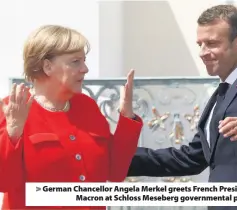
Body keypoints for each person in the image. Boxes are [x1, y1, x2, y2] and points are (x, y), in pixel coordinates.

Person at [127, 4, 237, 210]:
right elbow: (191, 158)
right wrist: (118, 157)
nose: (203, 53)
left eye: (212, 43)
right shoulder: (221, 94)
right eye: (200, 44)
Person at [0, 25, 143, 210]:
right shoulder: (11, 109)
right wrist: (13, 131)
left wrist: (127, 118)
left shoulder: (87, 106)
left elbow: (115, 172)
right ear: (47, 66)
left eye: (84, 61)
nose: (85, 69)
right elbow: (4, 182)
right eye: (75, 61)